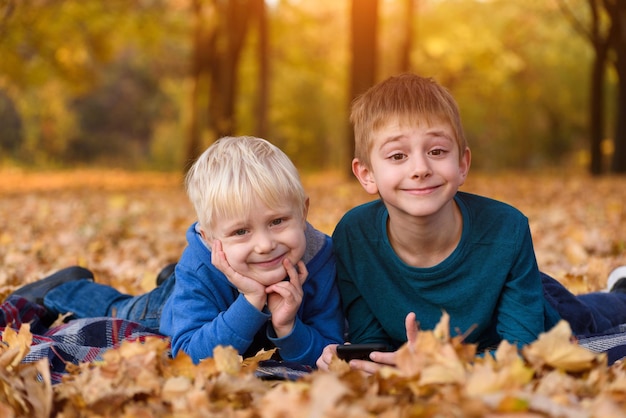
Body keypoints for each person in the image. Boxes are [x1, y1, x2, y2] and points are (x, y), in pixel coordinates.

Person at [316, 73, 626, 372]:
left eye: (437, 151)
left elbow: (522, 354)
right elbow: (370, 343)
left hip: (532, 303)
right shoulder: (354, 236)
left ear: (462, 164)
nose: (420, 168)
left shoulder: (507, 229)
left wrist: (441, 366)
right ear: (367, 174)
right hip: (472, 324)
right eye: (398, 156)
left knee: (593, 315)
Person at [9, 136, 345, 367]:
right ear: (211, 238)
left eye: (277, 221)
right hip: (174, 306)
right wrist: (250, 302)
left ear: (304, 212)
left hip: (199, 297)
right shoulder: (202, 268)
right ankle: (66, 287)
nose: (265, 244)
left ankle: (169, 279)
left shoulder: (320, 258)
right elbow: (188, 355)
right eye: (241, 231)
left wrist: (288, 326)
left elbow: (327, 353)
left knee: (176, 291)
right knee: (125, 309)